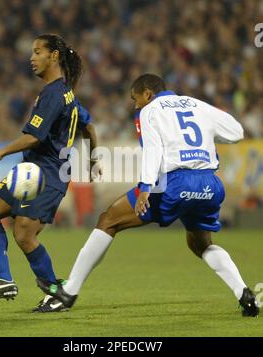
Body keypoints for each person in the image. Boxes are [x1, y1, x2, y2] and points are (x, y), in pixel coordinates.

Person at [37, 73, 259, 317]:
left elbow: (153, 149)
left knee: (109, 220)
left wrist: (145, 187)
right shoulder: (198, 105)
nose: (135, 105)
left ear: (148, 94)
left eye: (136, 99)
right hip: (210, 185)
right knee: (200, 243)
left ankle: (68, 292)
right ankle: (243, 293)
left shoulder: (150, 110)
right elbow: (237, 132)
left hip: (174, 183)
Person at [0, 33, 101, 312]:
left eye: (37, 52)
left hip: (49, 174)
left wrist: (0, 152)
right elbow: (89, 126)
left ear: (54, 56)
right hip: (31, 171)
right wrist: (94, 159)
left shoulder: (55, 93)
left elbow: (34, 137)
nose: (31, 58)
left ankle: (57, 292)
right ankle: (4, 280)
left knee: (24, 234)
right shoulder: (64, 93)